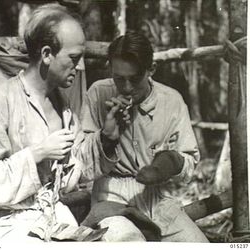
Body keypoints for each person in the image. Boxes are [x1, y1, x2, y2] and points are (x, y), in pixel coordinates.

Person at [0, 3, 86, 243]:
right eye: (74, 58)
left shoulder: (65, 106)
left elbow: (76, 176)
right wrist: (37, 154)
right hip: (5, 224)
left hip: (53, 218)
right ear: (47, 54)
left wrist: (109, 138)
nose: (80, 66)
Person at [75, 30, 209, 242]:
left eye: (135, 79)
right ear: (110, 69)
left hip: (157, 200)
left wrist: (166, 165)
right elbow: (81, 165)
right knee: (129, 241)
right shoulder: (98, 94)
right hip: (110, 198)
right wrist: (107, 139)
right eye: (119, 79)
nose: (127, 88)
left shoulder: (171, 101)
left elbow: (189, 161)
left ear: (151, 69)